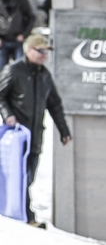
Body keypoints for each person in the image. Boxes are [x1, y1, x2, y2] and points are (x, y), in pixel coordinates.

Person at [0, 34, 70, 228]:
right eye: (40, 51)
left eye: (46, 52)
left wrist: (64, 130)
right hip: (17, 135)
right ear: (29, 50)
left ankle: (22, 214)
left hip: (35, 135)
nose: (44, 56)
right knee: (19, 176)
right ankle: (27, 217)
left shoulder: (44, 75)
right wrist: (8, 115)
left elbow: (54, 105)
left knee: (28, 177)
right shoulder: (14, 70)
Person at [0, 0, 35, 67]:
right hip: (2, 40)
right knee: (1, 68)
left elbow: (31, 17)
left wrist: (24, 34)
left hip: (17, 39)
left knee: (19, 67)